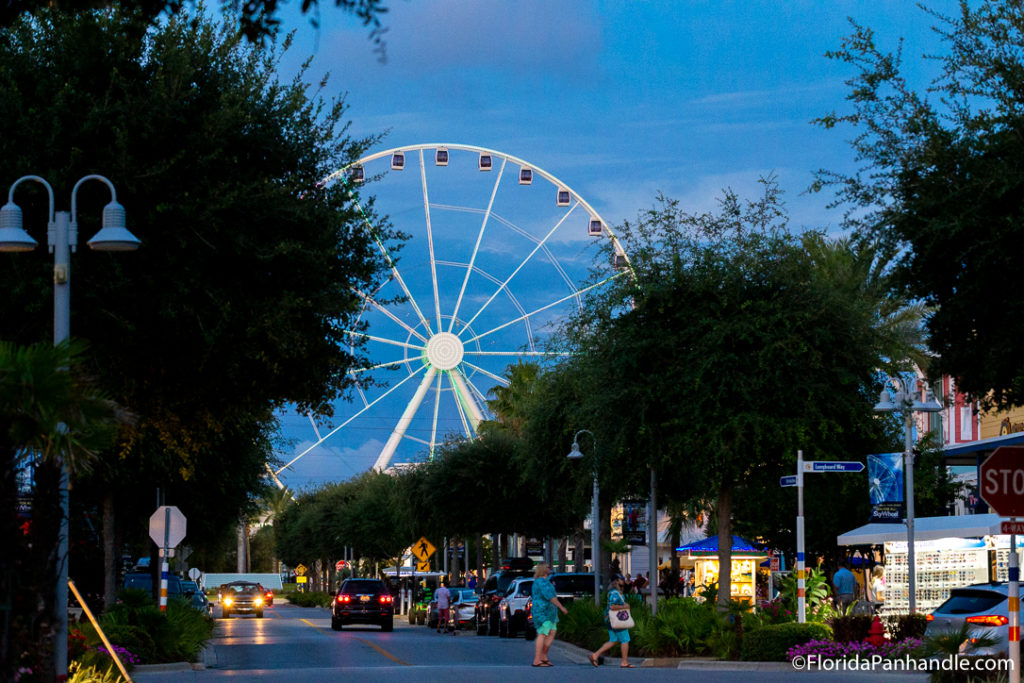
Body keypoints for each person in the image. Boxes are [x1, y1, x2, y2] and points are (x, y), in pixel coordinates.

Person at [589, 574, 635, 668]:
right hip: (617, 619)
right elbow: (612, 606)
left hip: (609, 619)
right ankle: (624, 662)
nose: (623, 580)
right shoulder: (615, 593)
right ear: (617, 581)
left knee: (613, 640)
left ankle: (595, 655)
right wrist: (624, 606)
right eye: (621, 579)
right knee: (625, 639)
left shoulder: (614, 592)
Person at [530, 562, 567, 667]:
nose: (549, 568)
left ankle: (544, 656)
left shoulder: (547, 582)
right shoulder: (540, 582)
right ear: (542, 569)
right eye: (547, 567)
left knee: (552, 632)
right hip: (542, 611)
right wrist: (561, 607)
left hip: (550, 613)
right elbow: (550, 596)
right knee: (543, 633)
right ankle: (537, 659)